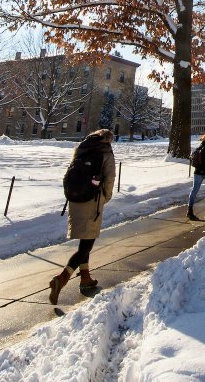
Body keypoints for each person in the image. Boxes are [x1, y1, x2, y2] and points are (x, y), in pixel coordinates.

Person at [49, 128, 116, 306]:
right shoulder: (106, 153)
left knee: (84, 241)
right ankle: (61, 279)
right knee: (86, 246)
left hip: (75, 199)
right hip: (92, 201)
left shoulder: (81, 149)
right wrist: (105, 198)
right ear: (108, 140)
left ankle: (85, 278)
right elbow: (109, 180)